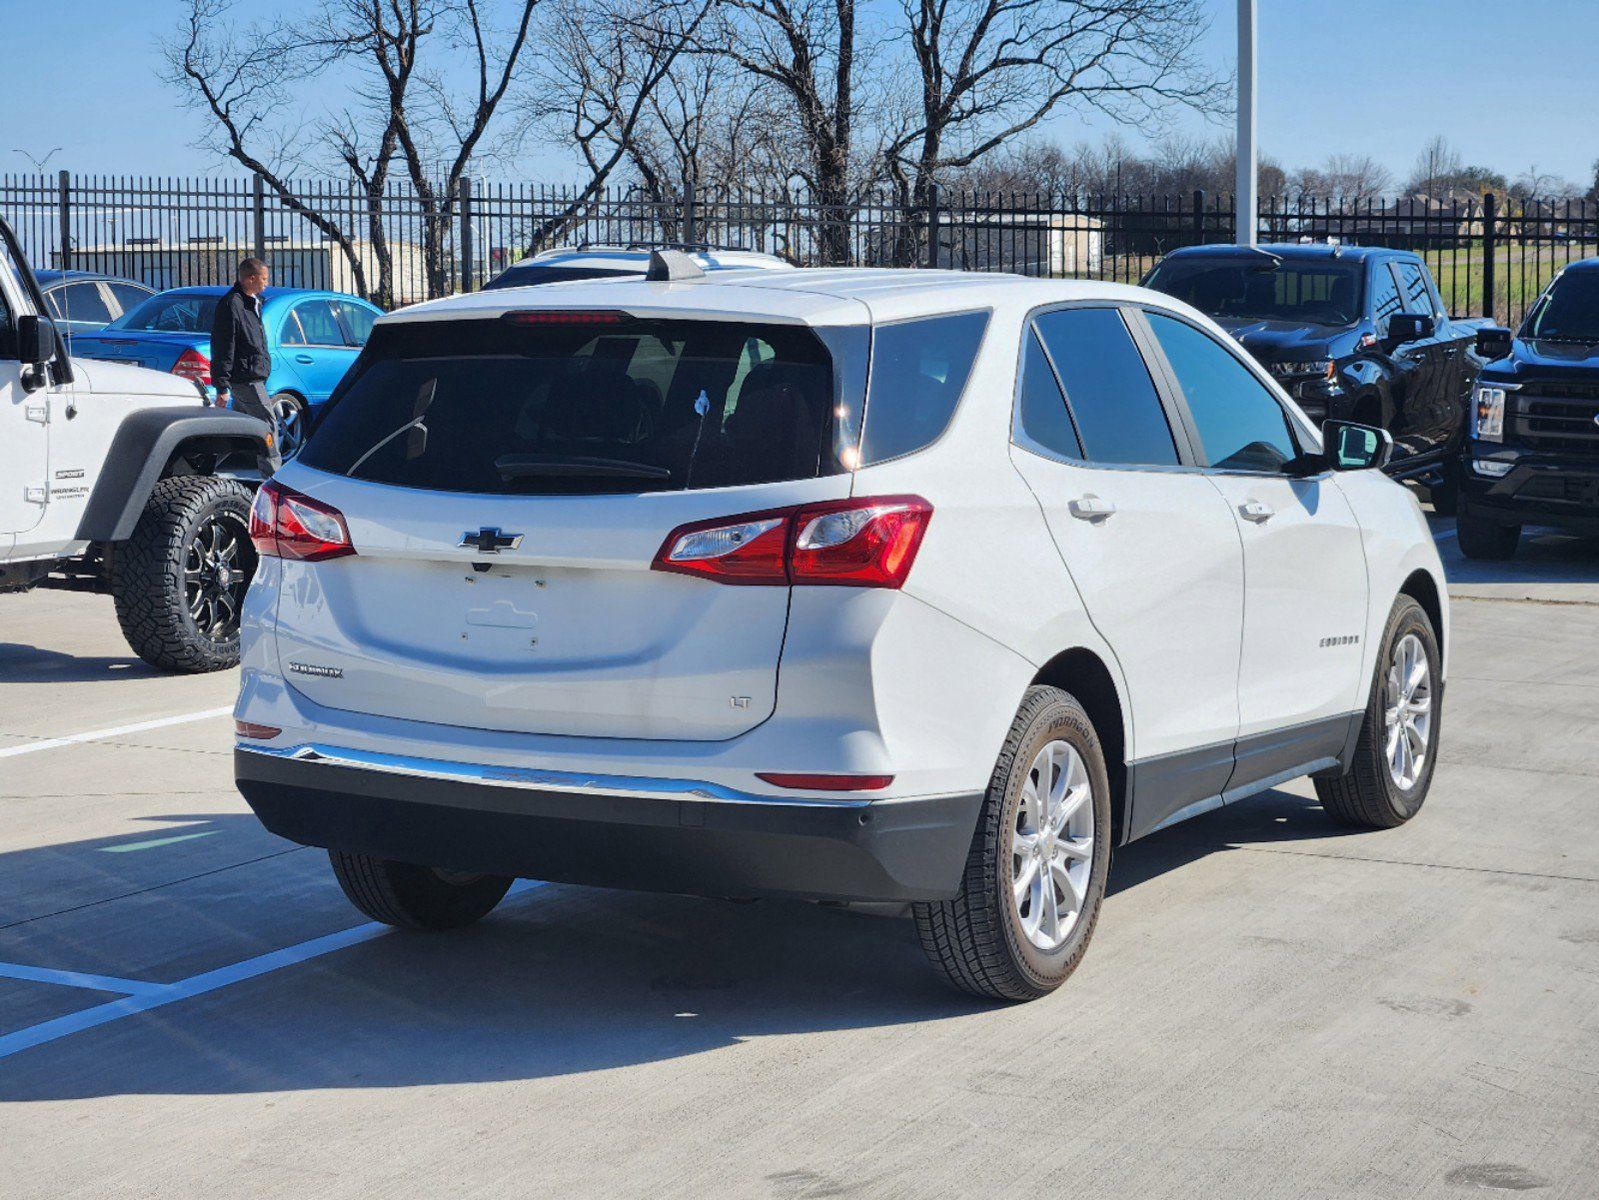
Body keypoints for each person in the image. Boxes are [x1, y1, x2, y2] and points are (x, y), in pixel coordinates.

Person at [211, 258, 274, 434]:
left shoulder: (253, 303)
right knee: (268, 430)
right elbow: (224, 345)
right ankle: (271, 463)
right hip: (246, 379)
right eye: (264, 279)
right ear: (251, 278)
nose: (267, 283)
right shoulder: (232, 304)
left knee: (240, 432)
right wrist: (221, 385)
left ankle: (225, 462)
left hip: (253, 375)